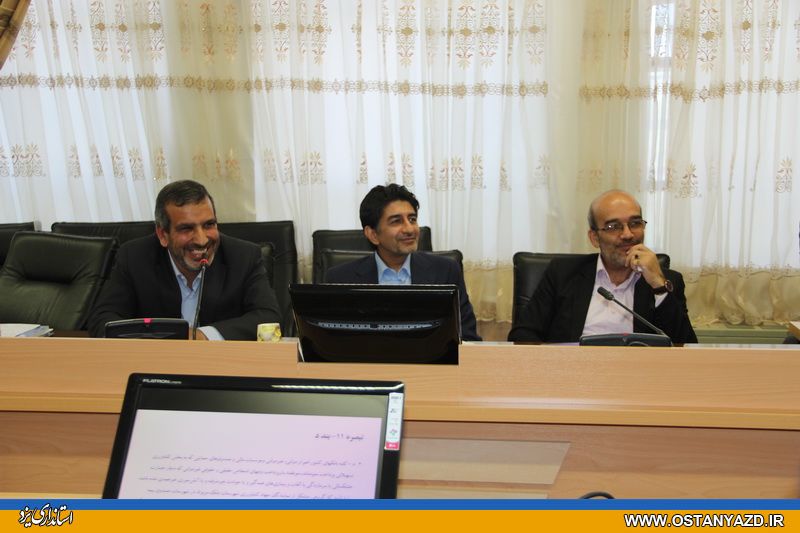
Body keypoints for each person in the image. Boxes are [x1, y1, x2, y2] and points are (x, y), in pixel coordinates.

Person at [88, 180, 280, 340]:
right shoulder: (134, 257)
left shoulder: (243, 256)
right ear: (162, 235)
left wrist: (203, 336)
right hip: (155, 367)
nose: (202, 240)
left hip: (222, 367)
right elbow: (102, 319)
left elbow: (270, 318)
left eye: (209, 225)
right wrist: (155, 339)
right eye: (186, 229)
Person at [508, 189, 697, 344]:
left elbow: (685, 347)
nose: (628, 234)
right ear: (594, 238)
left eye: (635, 223)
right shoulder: (562, 273)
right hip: (574, 371)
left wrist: (658, 285)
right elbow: (523, 335)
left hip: (638, 374)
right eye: (613, 226)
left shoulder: (666, 281)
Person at [325, 184, 481, 341]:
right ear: (373, 235)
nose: (409, 229)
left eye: (412, 219)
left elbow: (467, 337)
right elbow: (333, 342)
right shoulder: (340, 279)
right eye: (396, 221)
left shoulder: (445, 271)